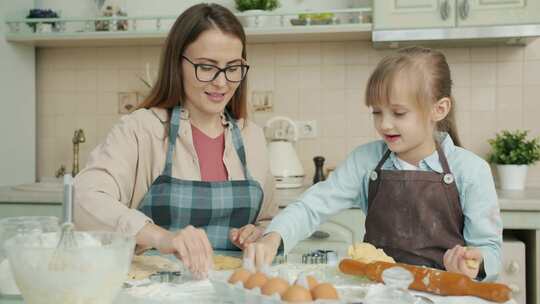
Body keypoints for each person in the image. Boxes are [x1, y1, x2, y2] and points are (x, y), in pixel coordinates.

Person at [245, 47, 503, 281]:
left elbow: (490, 250)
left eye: (398, 113)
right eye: (377, 112)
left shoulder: (471, 170)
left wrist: (474, 264)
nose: (384, 124)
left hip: (446, 294)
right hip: (380, 291)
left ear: (439, 109)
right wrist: (273, 237)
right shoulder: (365, 161)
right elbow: (311, 207)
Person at [73, 3, 278, 278]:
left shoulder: (251, 136)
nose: (222, 83)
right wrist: (162, 238)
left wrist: (259, 233)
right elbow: (85, 200)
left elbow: (269, 221)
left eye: (233, 68)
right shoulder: (140, 129)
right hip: (152, 292)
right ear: (177, 64)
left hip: (231, 290)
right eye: (206, 67)